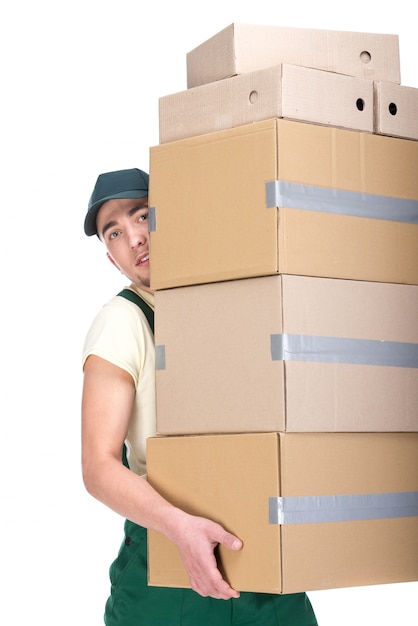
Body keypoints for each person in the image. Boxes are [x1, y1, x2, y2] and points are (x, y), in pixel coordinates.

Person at [81, 167, 318, 625]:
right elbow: (97, 466)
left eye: (143, 216)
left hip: (261, 548)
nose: (135, 238)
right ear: (111, 257)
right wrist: (178, 526)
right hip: (167, 566)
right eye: (115, 232)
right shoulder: (123, 322)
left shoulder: (233, 300)